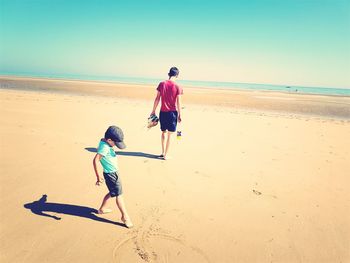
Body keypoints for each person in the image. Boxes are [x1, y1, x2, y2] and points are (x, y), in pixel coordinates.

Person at [92, 125, 133, 228]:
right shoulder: (104, 147)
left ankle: (102, 209)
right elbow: (95, 160)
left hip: (113, 173)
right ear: (109, 140)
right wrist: (98, 177)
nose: (115, 145)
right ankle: (125, 216)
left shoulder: (104, 142)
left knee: (113, 193)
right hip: (111, 175)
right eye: (115, 143)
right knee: (119, 195)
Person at [150, 67, 183, 160]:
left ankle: (163, 152)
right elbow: (179, 102)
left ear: (169, 74)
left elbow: (157, 98)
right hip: (172, 113)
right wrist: (180, 114)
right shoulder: (178, 86)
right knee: (170, 134)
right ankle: (166, 155)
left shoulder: (162, 84)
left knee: (163, 132)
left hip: (162, 112)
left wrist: (153, 111)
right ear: (177, 75)